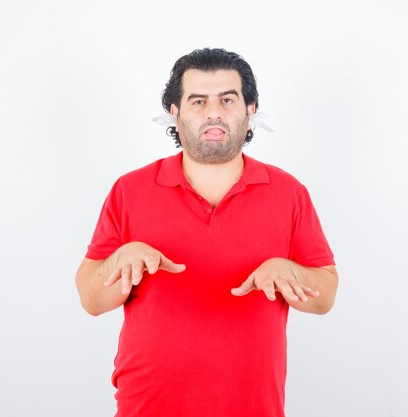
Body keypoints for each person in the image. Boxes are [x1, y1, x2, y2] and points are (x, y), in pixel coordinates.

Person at [75, 47, 338, 417]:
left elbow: (325, 296)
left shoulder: (289, 192)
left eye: (227, 99)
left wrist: (290, 272)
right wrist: (118, 262)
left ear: (250, 109)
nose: (213, 112)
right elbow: (90, 299)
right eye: (197, 101)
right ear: (175, 112)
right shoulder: (130, 190)